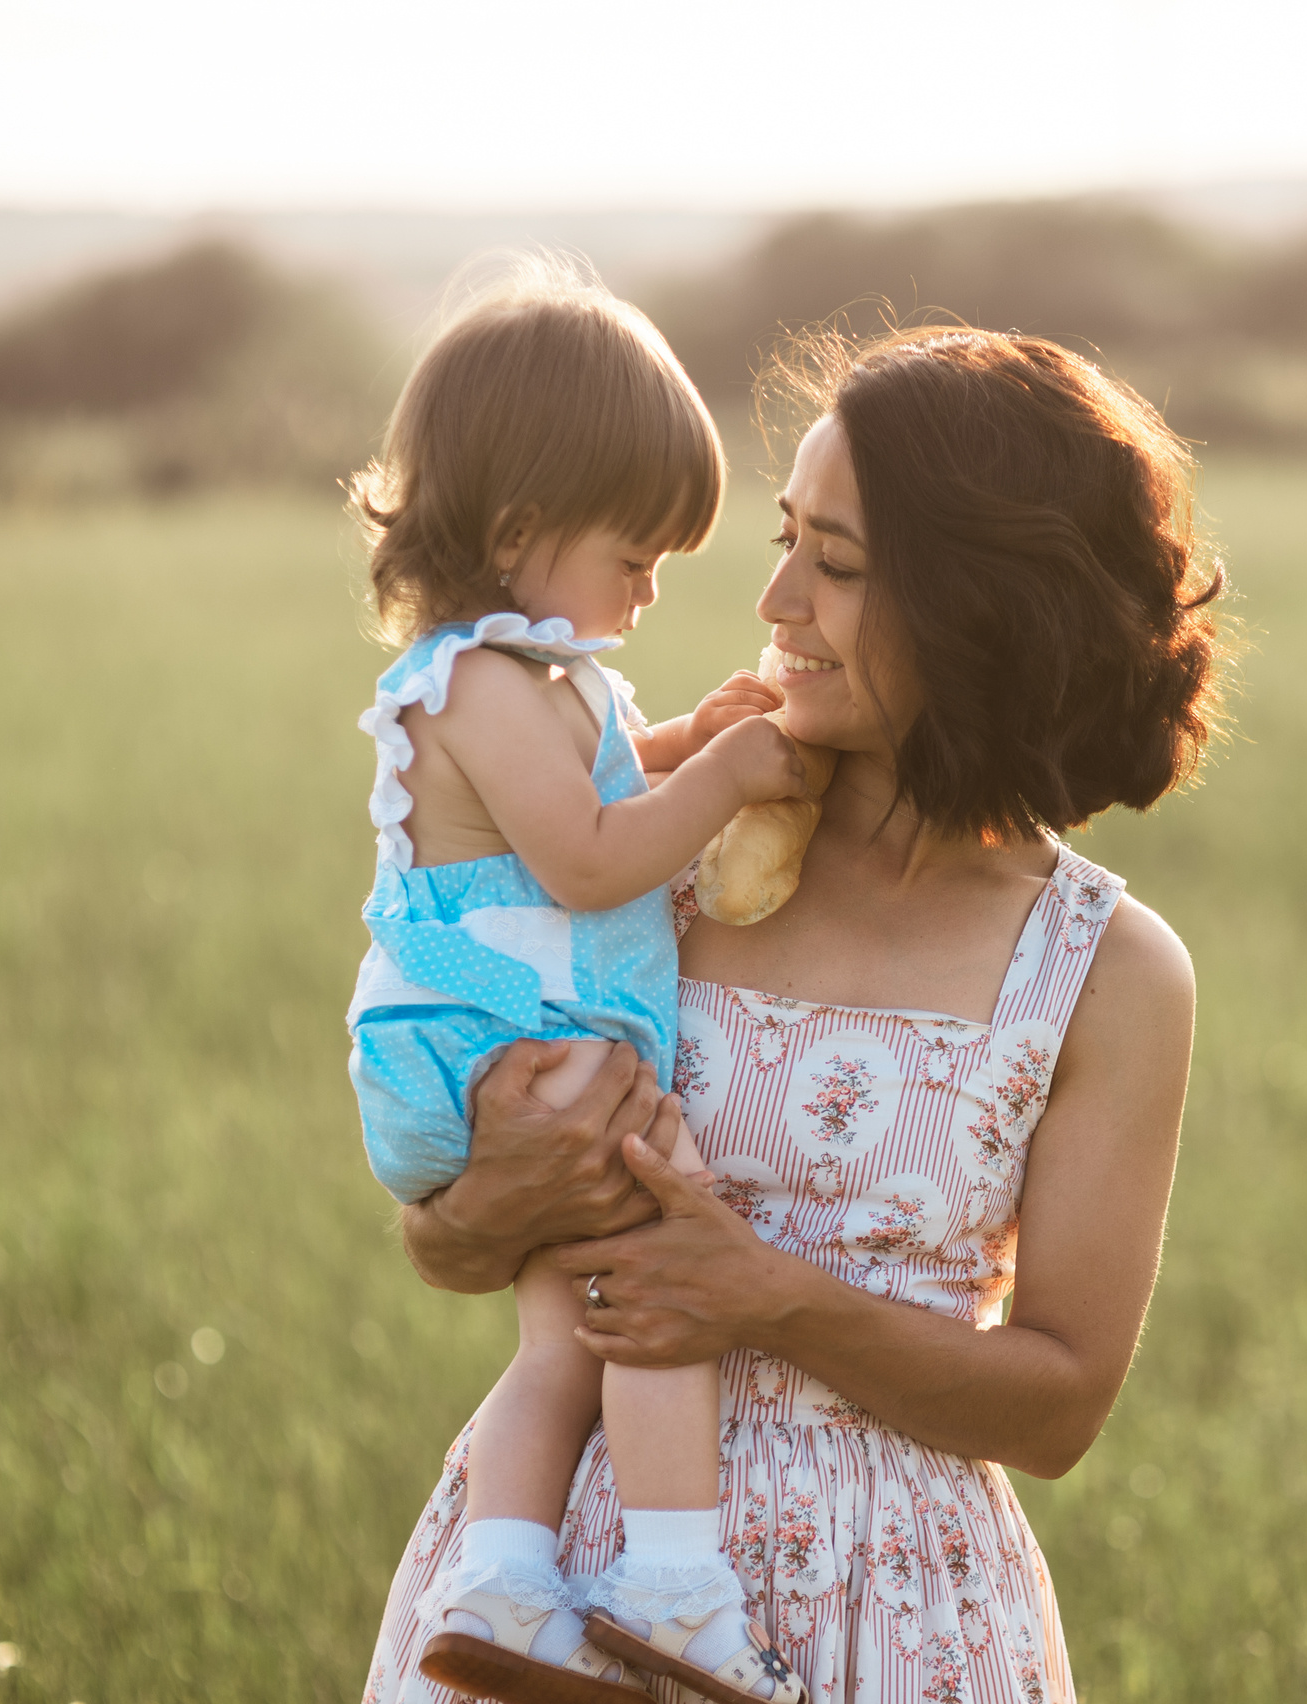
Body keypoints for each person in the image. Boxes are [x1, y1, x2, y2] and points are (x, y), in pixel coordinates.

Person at [364, 325, 1221, 1704]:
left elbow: (1061, 1405)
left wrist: (771, 1296)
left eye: (839, 564)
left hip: (904, 1614)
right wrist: (482, 1203)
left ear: (981, 610)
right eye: (786, 538)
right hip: (552, 1599)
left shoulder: (1104, 969)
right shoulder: (660, 857)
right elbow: (449, 1239)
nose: (773, 600)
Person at [343, 263, 812, 1704]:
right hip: (506, 1057)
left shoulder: (534, 684)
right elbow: (591, 858)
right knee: (657, 1282)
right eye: (637, 548)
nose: (657, 583)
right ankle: (673, 1587)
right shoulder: (478, 685)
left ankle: (501, 1585)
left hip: (502, 1047)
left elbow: (596, 795)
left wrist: (680, 741)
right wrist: (734, 769)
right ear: (517, 530)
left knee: (566, 1328)